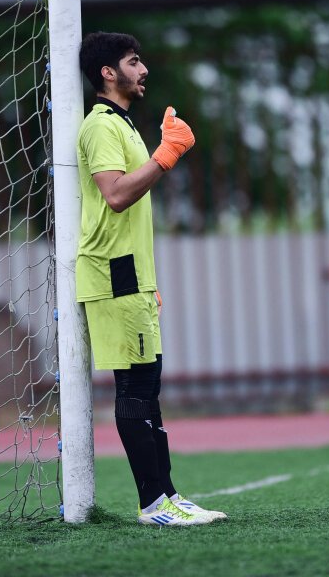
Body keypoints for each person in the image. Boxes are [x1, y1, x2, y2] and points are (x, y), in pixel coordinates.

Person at [75, 31, 227, 527]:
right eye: (133, 61)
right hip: (113, 274)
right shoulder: (100, 125)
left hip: (132, 276)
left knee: (148, 386)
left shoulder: (122, 124)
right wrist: (166, 156)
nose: (143, 70)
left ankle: (167, 496)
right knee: (136, 389)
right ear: (108, 72)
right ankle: (154, 505)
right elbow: (116, 195)